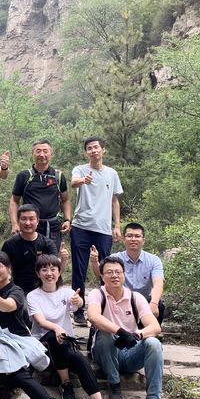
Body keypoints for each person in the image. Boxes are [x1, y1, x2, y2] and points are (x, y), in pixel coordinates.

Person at [0, 251, 69, 399]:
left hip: (20, 342)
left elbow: (9, 306)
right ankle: (16, 392)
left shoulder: (15, 291)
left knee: (19, 374)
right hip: (0, 342)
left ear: (8, 269)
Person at [28, 255, 115, 399]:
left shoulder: (66, 292)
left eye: (53, 269)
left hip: (65, 344)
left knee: (80, 360)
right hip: (43, 346)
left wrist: (78, 300)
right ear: (38, 273)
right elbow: (40, 321)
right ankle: (65, 382)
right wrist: (56, 327)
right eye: (44, 270)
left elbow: (77, 304)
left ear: (59, 271)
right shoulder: (33, 295)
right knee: (55, 337)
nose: (49, 273)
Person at [87, 256, 166, 399]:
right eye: (109, 272)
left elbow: (155, 327)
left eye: (118, 272)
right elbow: (93, 316)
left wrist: (137, 335)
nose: (114, 275)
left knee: (153, 343)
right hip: (105, 352)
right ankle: (114, 384)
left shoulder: (135, 297)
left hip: (129, 352)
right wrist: (120, 331)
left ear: (124, 274)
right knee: (104, 334)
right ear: (102, 276)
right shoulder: (97, 294)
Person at [71, 136, 123, 325]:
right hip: (81, 226)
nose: (93, 150)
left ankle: (104, 308)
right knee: (79, 268)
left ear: (103, 150)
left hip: (103, 229)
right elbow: (73, 182)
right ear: (86, 152)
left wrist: (117, 225)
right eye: (89, 148)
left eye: (96, 147)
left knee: (105, 269)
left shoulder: (111, 173)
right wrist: (83, 181)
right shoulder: (80, 170)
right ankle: (78, 309)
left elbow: (114, 200)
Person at [89, 223, 165, 324]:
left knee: (159, 304)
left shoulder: (154, 260)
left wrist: (154, 303)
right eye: (129, 236)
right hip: (119, 301)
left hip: (143, 302)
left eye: (137, 236)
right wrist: (94, 262)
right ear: (124, 240)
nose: (133, 239)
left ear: (143, 240)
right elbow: (100, 274)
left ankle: (150, 330)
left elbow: (158, 283)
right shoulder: (115, 258)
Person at [9, 140, 71, 246]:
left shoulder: (58, 176)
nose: (42, 154)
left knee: (52, 255)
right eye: (38, 151)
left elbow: (65, 200)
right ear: (33, 154)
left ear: (51, 154)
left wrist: (67, 220)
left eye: (45, 151)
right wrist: (15, 224)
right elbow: (14, 201)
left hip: (52, 226)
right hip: (29, 225)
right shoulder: (24, 176)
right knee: (29, 255)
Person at [1, 204, 67, 294]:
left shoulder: (47, 243)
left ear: (37, 221)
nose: (27, 223)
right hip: (18, 290)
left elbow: (57, 271)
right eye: (24, 219)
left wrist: (63, 259)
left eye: (31, 219)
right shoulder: (9, 244)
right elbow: (3, 270)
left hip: (42, 289)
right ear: (18, 220)